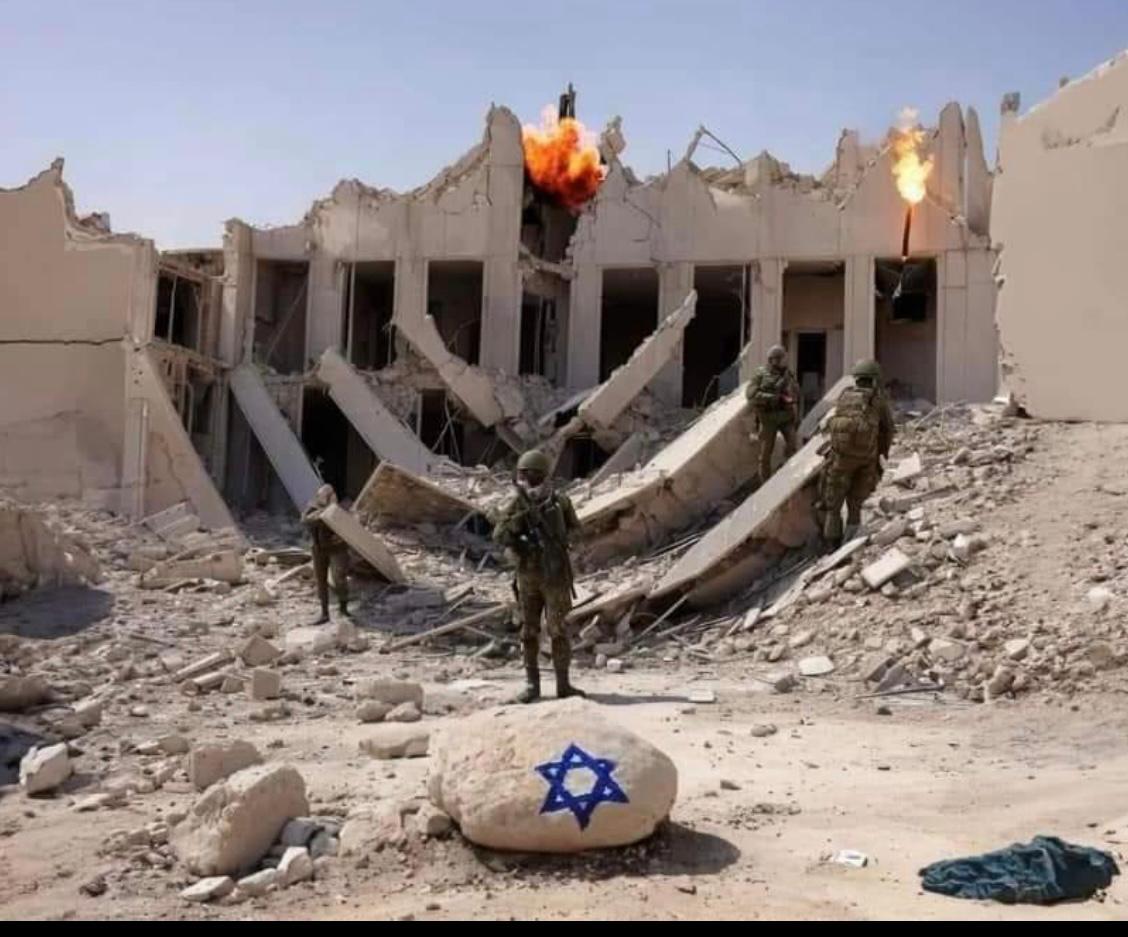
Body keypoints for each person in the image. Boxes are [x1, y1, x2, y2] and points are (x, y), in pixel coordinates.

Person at [492, 449, 583, 703]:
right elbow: (499, 535)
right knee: (528, 631)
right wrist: (521, 541)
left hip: (556, 576)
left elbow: (577, 530)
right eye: (525, 475)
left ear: (545, 476)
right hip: (528, 576)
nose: (529, 481)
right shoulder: (517, 504)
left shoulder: (561, 502)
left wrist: (561, 541)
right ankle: (532, 686)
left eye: (534, 476)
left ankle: (563, 685)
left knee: (559, 630)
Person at [819, 359, 895, 545]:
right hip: (866, 458)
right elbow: (887, 430)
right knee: (855, 503)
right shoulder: (878, 401)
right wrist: (882, 454)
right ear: (874, 379)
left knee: (833, 506)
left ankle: (831, 547)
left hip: (841, 458)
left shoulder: (844, 396)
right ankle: (851, 544)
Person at [746, 344, 800, 485]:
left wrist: (791, 398)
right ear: (773, 360)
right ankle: (765, 484)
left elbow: (796, 393)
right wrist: (773, 397)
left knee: (792, 445)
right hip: (768, 419)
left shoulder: (788, 374)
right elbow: (751, 395)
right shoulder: (761, 374)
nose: (784, 361)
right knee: (765, 454)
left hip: (786, 417)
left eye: (784, 358)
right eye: (781, 358)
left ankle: (787, 478)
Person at [302, 483, 349, 624]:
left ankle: (343, 609)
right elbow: (305, 520)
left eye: (326, 495)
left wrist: (327, 514)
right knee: (321, 581)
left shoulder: (340, 510)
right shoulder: (312, 507)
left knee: (339, 579)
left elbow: (347, 526)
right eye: (321, 495)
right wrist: (322, 513)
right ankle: (324, 614)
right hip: (318, 549)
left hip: (337, 549)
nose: (322, 498)